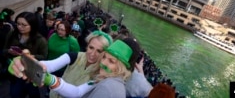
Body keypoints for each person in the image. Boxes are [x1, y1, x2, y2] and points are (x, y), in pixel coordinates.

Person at [9, 38, 139, 98]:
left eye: (99, 52)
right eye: (91, 47)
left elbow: (77, 92)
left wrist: (50, 80)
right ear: (86, 46)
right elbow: (51, 64)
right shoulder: (75, 55)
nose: (93, 54)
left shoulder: (104, 80)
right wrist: (28, 62)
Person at [3, 11, 48, 98]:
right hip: (15, 71)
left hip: (31, 74)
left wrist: (30, 56)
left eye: (24, 25)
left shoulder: (41, 40)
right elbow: (4, 51)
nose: (20, 27)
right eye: (18, 24)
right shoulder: (12, 34)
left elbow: (44, 57)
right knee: (15, 94)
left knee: (33, 94)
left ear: (33, 25)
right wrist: (9, 51)